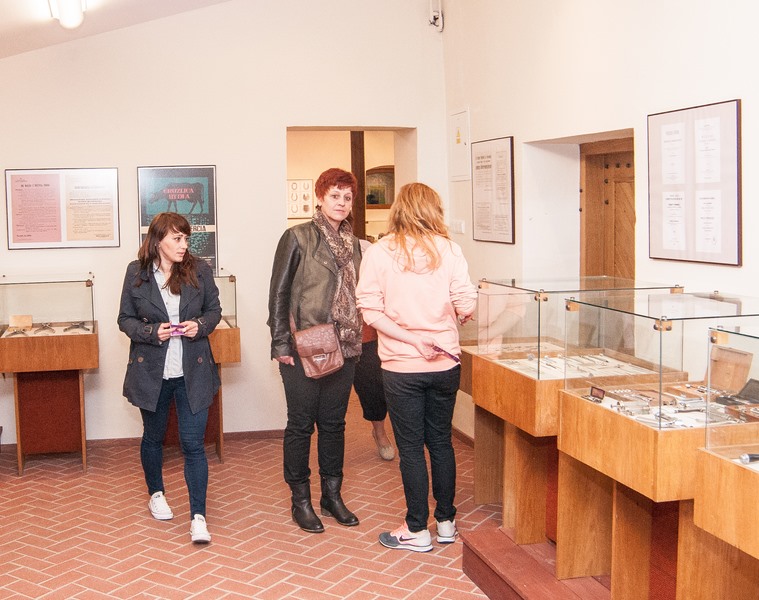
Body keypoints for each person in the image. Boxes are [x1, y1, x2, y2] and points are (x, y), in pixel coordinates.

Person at [356, 182, 477, 553]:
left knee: (410, 448)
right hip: (445, 363)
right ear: (434, 210)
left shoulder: (379, 252)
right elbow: (467, 303)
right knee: (440, 441)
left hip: (402, 366)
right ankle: (446, 522)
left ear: (399, 209)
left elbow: (370, 311)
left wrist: (411, 339)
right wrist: (459, 313)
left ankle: (416, 529)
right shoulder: (449, 250)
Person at [268, 167, 363, 534]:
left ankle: (331, 496)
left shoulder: (354, 245)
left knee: (335, 424)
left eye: (347, 197)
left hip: (345, 346)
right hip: (303, 347)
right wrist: (280, 343)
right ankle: (301, 499)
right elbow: (279, 293)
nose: (341, 202)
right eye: (334, 195)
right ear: (320, 198)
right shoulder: (297, 237)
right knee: (300, 424)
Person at [117, 212, 221, 544]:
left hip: (193, 371)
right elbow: (125, 319)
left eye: (186, 238)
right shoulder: (136, 273)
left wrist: (199, 326)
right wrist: (151, 332)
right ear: (158, 240)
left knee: (193, 445)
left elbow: (214, 311)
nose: (183, 244)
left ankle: (198, 517)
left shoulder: (199, 270)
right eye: (177, 238)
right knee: (154, 437)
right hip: (153, 372)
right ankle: (156, 493)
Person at [354, 238, 394, 461]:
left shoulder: (366, 248)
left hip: (366, 332)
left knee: (373, 386)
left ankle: (380, 433)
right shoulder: (315, 246)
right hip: (332, 335)